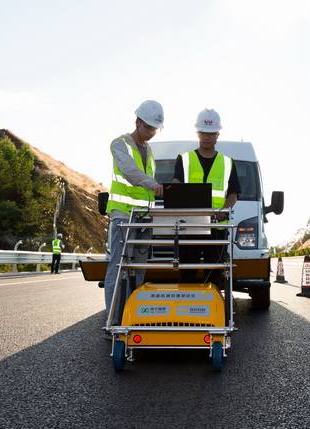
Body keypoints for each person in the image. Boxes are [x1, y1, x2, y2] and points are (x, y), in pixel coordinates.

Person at [103, 99, 164, 323]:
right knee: (118, 268)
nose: (151, 132)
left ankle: (133, 317)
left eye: (154, 129)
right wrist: (151, 183)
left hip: (143, 218)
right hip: (123, 216)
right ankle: (113, 320)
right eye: (148, 127)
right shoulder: (119, 144)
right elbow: (129, 171)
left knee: (139, 270)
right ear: (137, 121)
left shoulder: (149, 151)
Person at [172, 109, 240, 283]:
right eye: (203, 133)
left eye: (211, 133)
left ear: (217, 135)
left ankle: (215, 307)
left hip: (217, 229)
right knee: (187, 273)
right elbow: (176, 183)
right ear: (197, 133)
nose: (207, 137)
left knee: (215, 275)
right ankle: (186, 308)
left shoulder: (227, 162)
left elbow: (233, 193)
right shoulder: (184, 159)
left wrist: (225, 210)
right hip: (190, 226)